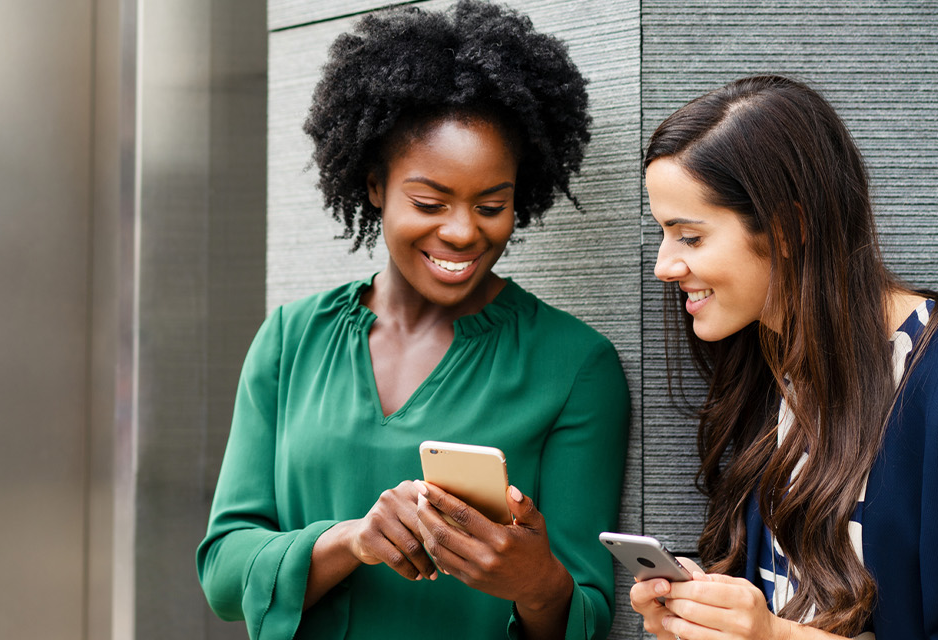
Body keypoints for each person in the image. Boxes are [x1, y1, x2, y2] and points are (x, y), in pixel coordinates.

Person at [196, 2, 629, 639]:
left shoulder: (572, 365)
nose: (461, 231)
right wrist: (353, 541)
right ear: (374, 185)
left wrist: (535, 582)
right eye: (430, 202)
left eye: (491, 205)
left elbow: (586, 615)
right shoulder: (291, 340)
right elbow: (223, 574)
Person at [630, 74, 938, 639]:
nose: (663, 265)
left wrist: (776, 637)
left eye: (690, 237)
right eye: (663, 233)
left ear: (789, 228)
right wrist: (708, 618)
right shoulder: (769, 372)